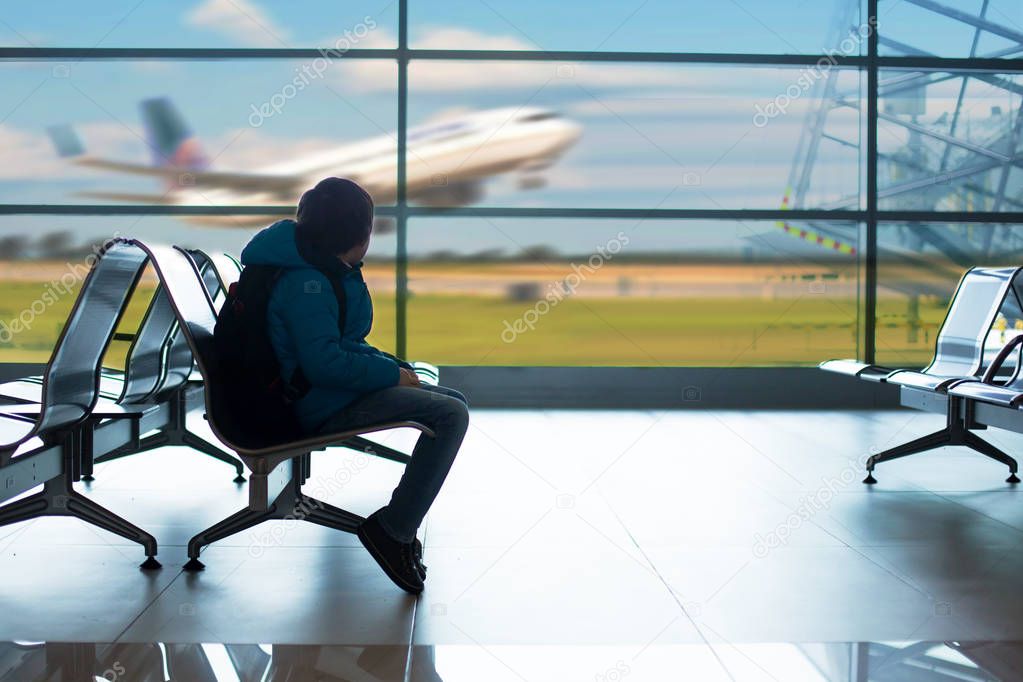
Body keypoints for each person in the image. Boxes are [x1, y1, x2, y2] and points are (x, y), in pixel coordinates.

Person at [239, 177, 469, 594]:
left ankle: (396, 525)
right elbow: (325, 364)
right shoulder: (306, 283)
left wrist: (394, 367)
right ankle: (393, 531)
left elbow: (344, 344)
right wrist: (390, 375)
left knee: (450, 401)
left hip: (321, 392)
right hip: (312, 404)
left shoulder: (321, 269)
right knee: (450, 414)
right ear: (357, 235)